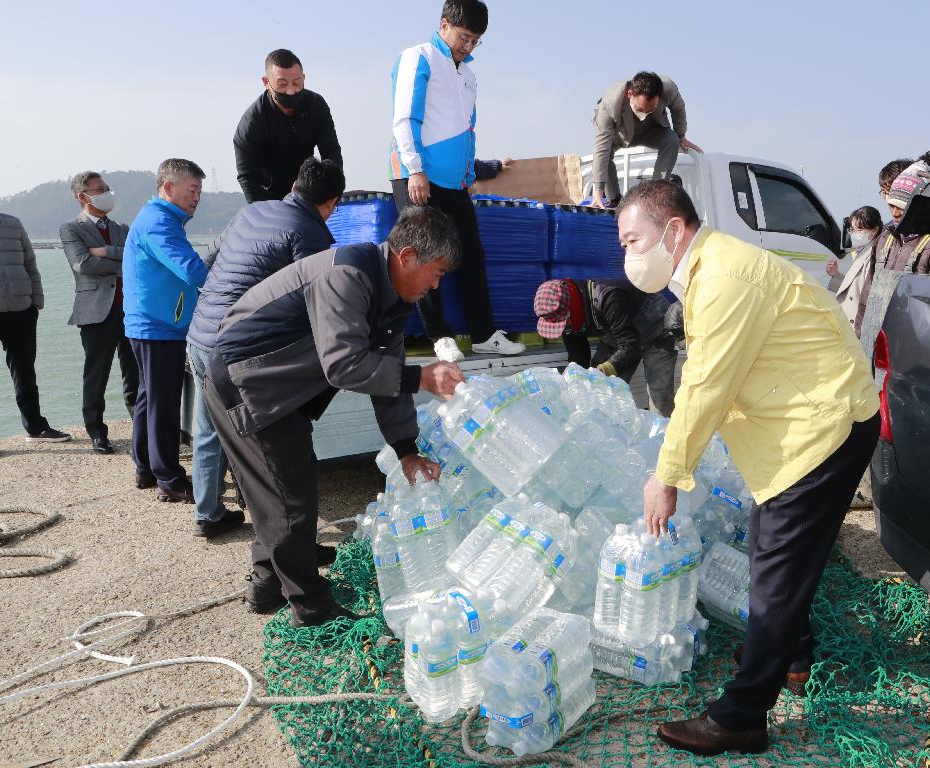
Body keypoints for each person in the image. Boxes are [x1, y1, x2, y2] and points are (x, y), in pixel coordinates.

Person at [616, 181, 879, 756]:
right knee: (774, 549)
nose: (629, 256)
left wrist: (667, 475)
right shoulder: (709, 271)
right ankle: (792, 652)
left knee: (774, 572)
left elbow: (706, 384)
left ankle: (742, 716)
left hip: (821, 428)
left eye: (634, 240)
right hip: (806, 421)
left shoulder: (725, 279)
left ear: (674, 230)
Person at [204, 207, 466, 627]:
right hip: (247, 380)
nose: (436, 285)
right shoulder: (348, 274)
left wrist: (406, 450)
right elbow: (344, 365)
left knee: (282, 486)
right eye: (435, 272)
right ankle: (312, 610)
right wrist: (422, 377)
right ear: (407, 256)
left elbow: (387, 378)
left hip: (280, 386)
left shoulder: (392, 297)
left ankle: (266, 584)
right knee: (289, 497)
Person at [186, 158, 346, 540]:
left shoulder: (250, 211)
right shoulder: (311, 233)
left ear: (294, 183)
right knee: (255, 441)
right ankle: (267, 521)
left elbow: (208, 260)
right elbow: (315, 301)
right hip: (236, 348)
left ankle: (207, 513)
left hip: (199, 334)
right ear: (332, 203)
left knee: (208, 430)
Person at [389, 0, 525, 360]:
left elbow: (468, 129)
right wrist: (415, 169)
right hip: (418, 178)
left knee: (471, 255)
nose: (468, 46)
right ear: (444, 24)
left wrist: (469, 173)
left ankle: (483, 333)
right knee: (425, 255)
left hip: (455, 183)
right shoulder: (418, 57)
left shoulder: (468, 75)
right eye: (464, 37)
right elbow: (405, 118)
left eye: (476, 41)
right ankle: (439, 335)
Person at [124, 159, 209, 502]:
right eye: (192, 190)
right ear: (168, 187)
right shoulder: (160, 222)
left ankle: (145, 466)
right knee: (162, 401)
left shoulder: (158, 218)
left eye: (200, 191)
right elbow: (191, 269)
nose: (197, 198)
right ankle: (169, 479)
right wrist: (230, 282)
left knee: (149, 397)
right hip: (158, 325)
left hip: (149, 323)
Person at [0, 174, 71, 461]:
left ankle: (35, 427)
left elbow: (30, 262)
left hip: (21, 311)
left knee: (25, 372)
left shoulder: (11, 223)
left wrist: (37, 301)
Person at [60, 172, 139, 454]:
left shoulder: (122, 227)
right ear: (83, 196)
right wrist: (118, 258)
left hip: (130, 308)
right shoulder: (71, 229)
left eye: (106, 188)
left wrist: (104, 251)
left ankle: (141, 428)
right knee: (96, 374)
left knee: (135, 372)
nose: (106, 193)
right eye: (99, 189)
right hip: (95, 311)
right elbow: (82, 264)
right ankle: (96, 431)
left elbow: (136, 257)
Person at [533, 277, 679, 416]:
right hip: (620, 334)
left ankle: (665, 434)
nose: (564, 328)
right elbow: (578, 357)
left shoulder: (609, 297)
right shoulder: (568, 319)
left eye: (564, 323)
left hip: (656, 331)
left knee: (660, 395)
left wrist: (605, 368)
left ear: (572, 307)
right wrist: (576, 378)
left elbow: (629, 347)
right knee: (600, 388)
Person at [234, 49, 343, 203]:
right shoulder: (252, 123)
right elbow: (248, 178)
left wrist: (332, 194)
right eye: (282, 84)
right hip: (270, 196)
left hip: (308, 191)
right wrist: (265, 214)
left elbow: (331, 152)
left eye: (297, 83)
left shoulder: (316, 105)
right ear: (266, 82)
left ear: (304, 78)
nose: (291, 91)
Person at [591, 72, 701, 207]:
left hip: (651, 129)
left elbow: (678, 108)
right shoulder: (609, 103)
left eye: (650, 109)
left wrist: (681, 135)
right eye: (640, 108)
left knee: (671, 140)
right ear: (629, 94)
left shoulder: (669, 89)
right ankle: (614, 200)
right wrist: (598, 191)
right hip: (620, 134)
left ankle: (654, 194)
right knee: (605, 155)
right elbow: (601, 148)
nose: (643, 113)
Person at [825, 206, 883, 336]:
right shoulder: (861, 250)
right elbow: (854, 288)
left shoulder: (875, 255)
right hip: (850, 323)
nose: (855, 234)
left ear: (874, 230)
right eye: (853, 230)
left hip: (857, 326)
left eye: (860, 230)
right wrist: (836, 275)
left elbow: (866, 292)